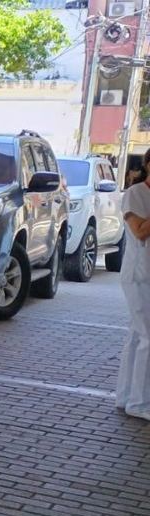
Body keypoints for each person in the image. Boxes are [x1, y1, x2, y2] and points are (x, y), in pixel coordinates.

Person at [116, 150, 150, 421]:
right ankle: (139, 403)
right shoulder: (135, 193)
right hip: (139, 274)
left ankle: (125, 396)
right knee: (147, 337)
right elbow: (140, 231)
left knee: (137, 335)